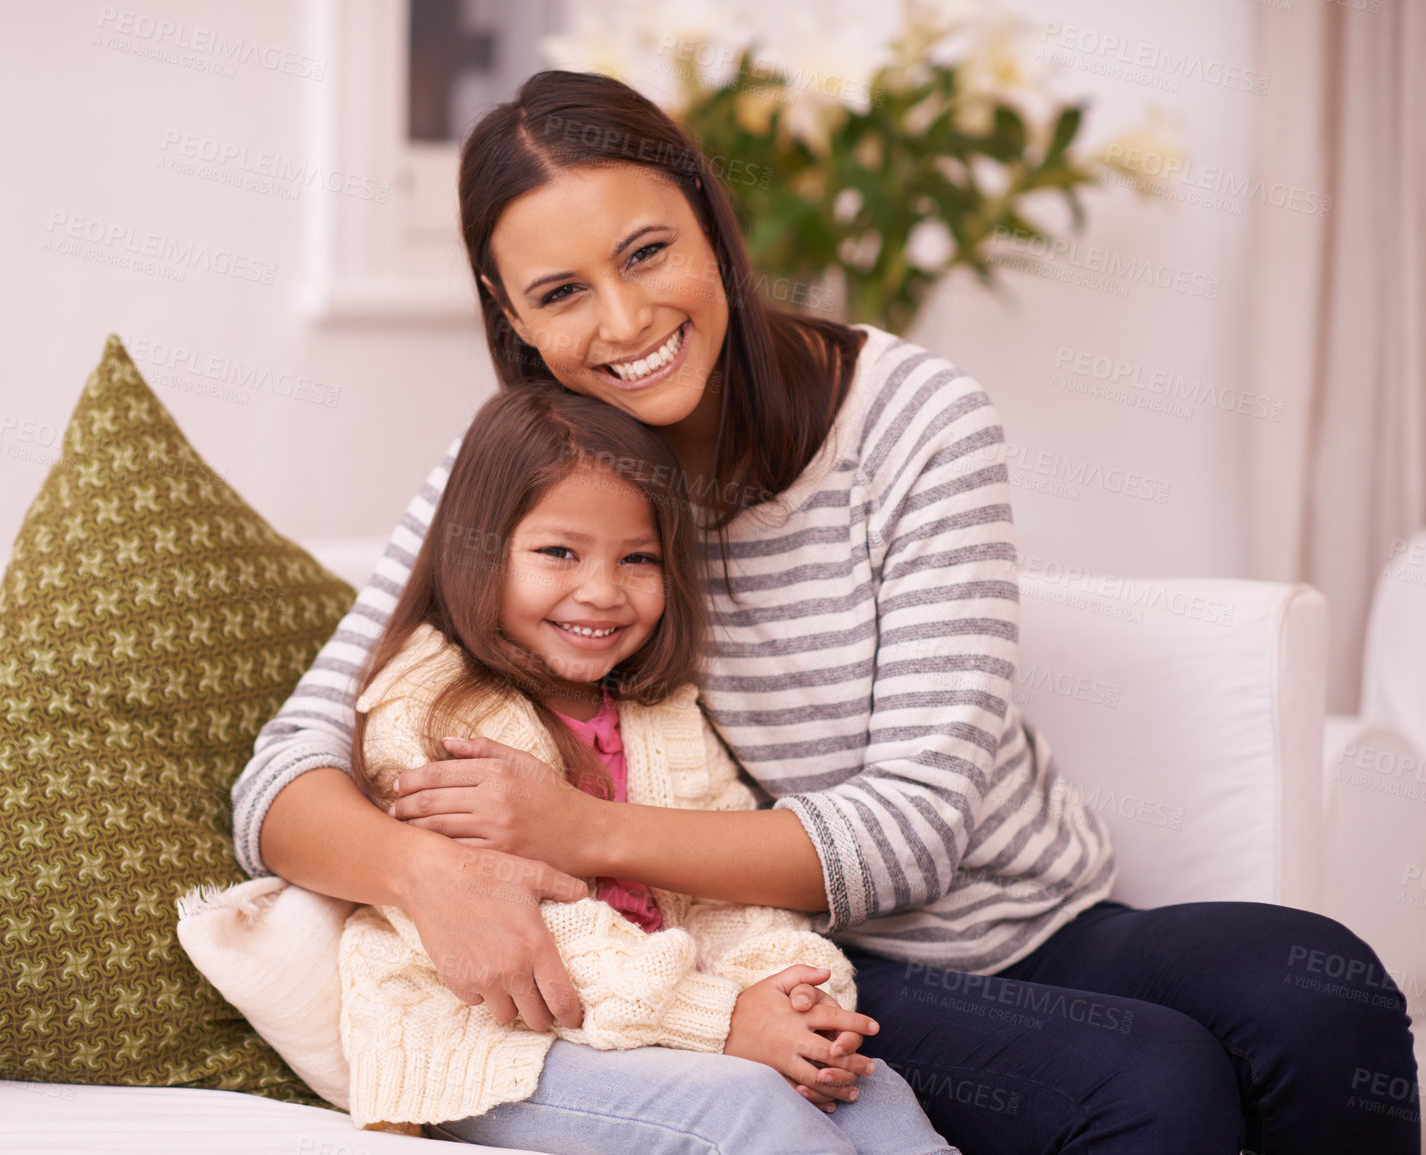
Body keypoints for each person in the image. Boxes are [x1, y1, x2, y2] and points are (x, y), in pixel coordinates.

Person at [232, 69, 1420, 1154]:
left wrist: (570, 829)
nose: (626, 321)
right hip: (796, 957)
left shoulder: (914, 423)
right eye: (562, 293)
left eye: (647, 252)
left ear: (710, 219)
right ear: (513, 315)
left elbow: (910, 834)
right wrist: (427, 878)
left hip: (1036, 918)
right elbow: (282, 776)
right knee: (1151, 1082)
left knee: (1323, 984)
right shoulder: (517, 483)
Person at [336, 382, 960, 1152]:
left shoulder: (658, 710)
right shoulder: (430, 707)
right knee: (746, 1112)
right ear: (476, 547)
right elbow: (525, 935)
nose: (601, 592)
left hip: (676, 1017)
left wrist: (787, 993)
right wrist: (721, 1018)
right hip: (502, 1040)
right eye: (558, 552)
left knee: (873, 1094)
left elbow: (725, 881)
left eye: (637, 558)